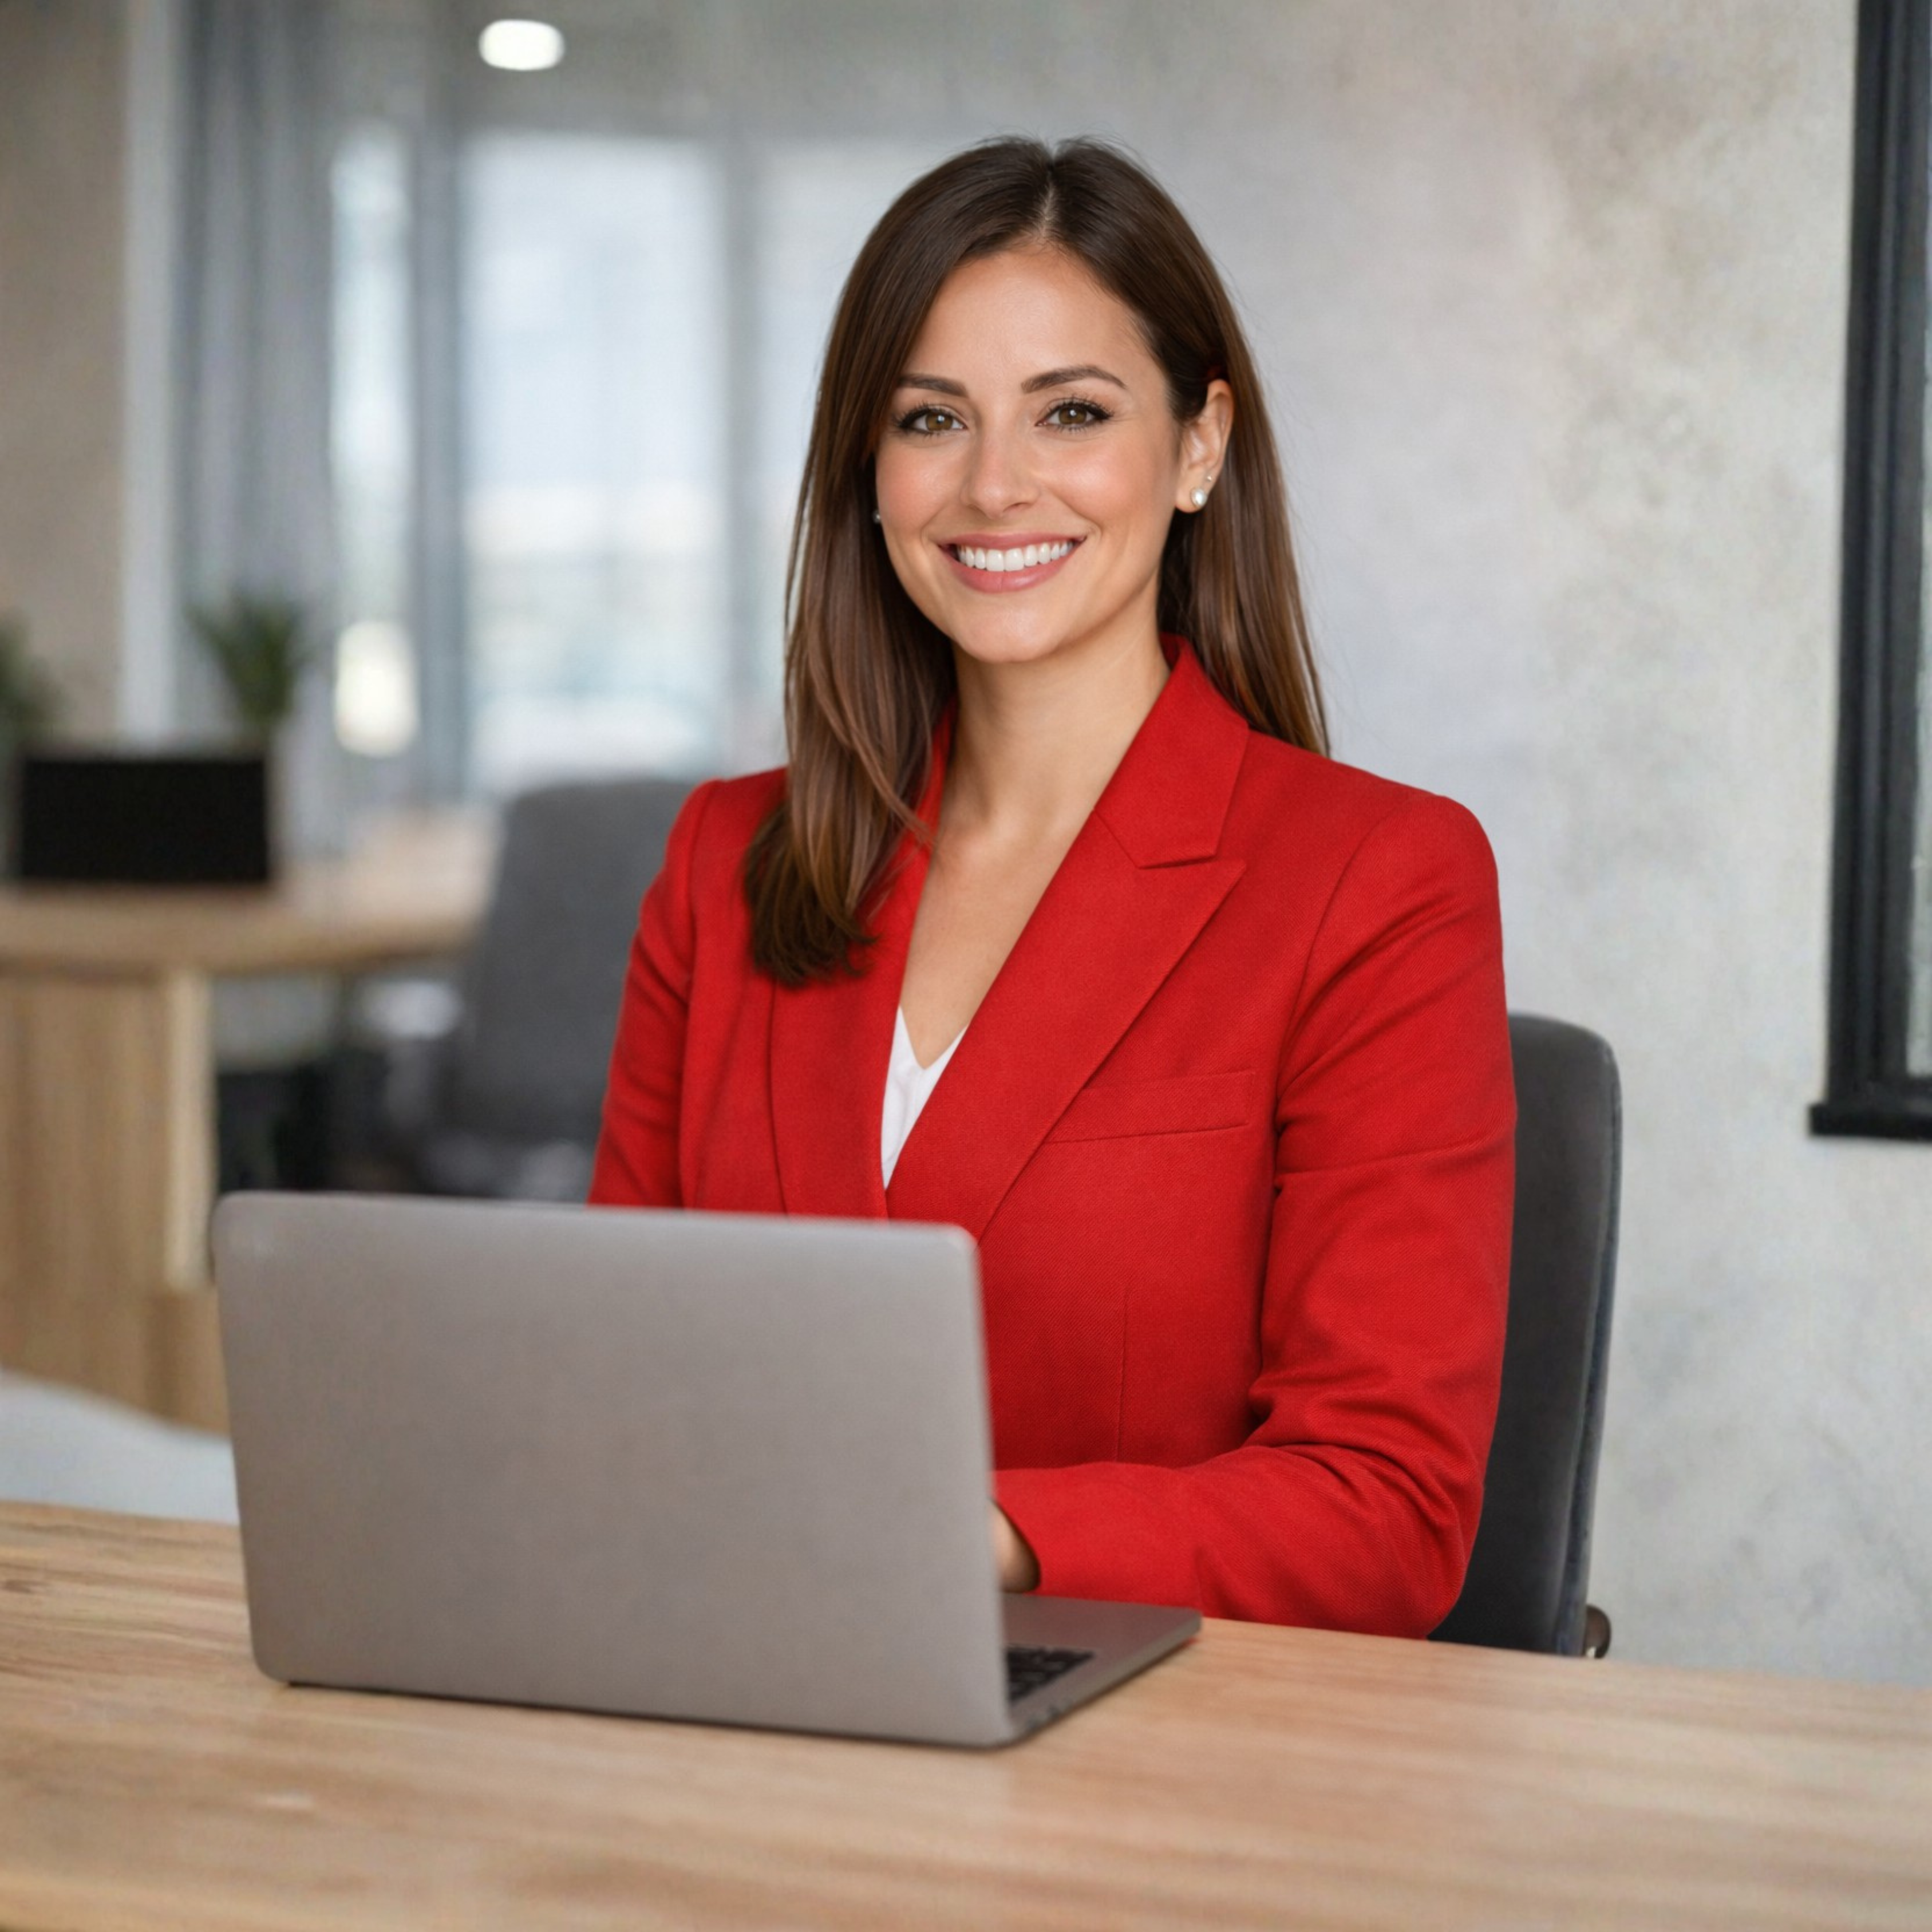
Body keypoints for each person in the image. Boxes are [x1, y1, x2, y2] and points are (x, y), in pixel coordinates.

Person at [590, 136, 1514, 1636]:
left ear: (1199, 446)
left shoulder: (1379, 882)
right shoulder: (725, 862)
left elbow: (1384, 1509)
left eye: (1070, 412)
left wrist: (982, 1540)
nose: (993, 485)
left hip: (1154, 1726)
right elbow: (607, 1378)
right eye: (930, 419)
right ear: (868, 470)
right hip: (739, 1685)